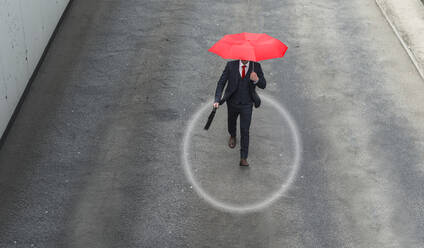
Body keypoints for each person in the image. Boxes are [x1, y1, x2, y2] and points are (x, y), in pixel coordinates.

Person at [213, 59, 266, 166]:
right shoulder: (231, 65)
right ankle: (232, 135)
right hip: (232, 101)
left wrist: (256, 80)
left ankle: (243, 157)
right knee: (231, 122)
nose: (245, 57)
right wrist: (217, 99)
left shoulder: (256, 66)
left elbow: (263, 84)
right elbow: (221, 82)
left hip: (247, 103)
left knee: (245, 130)